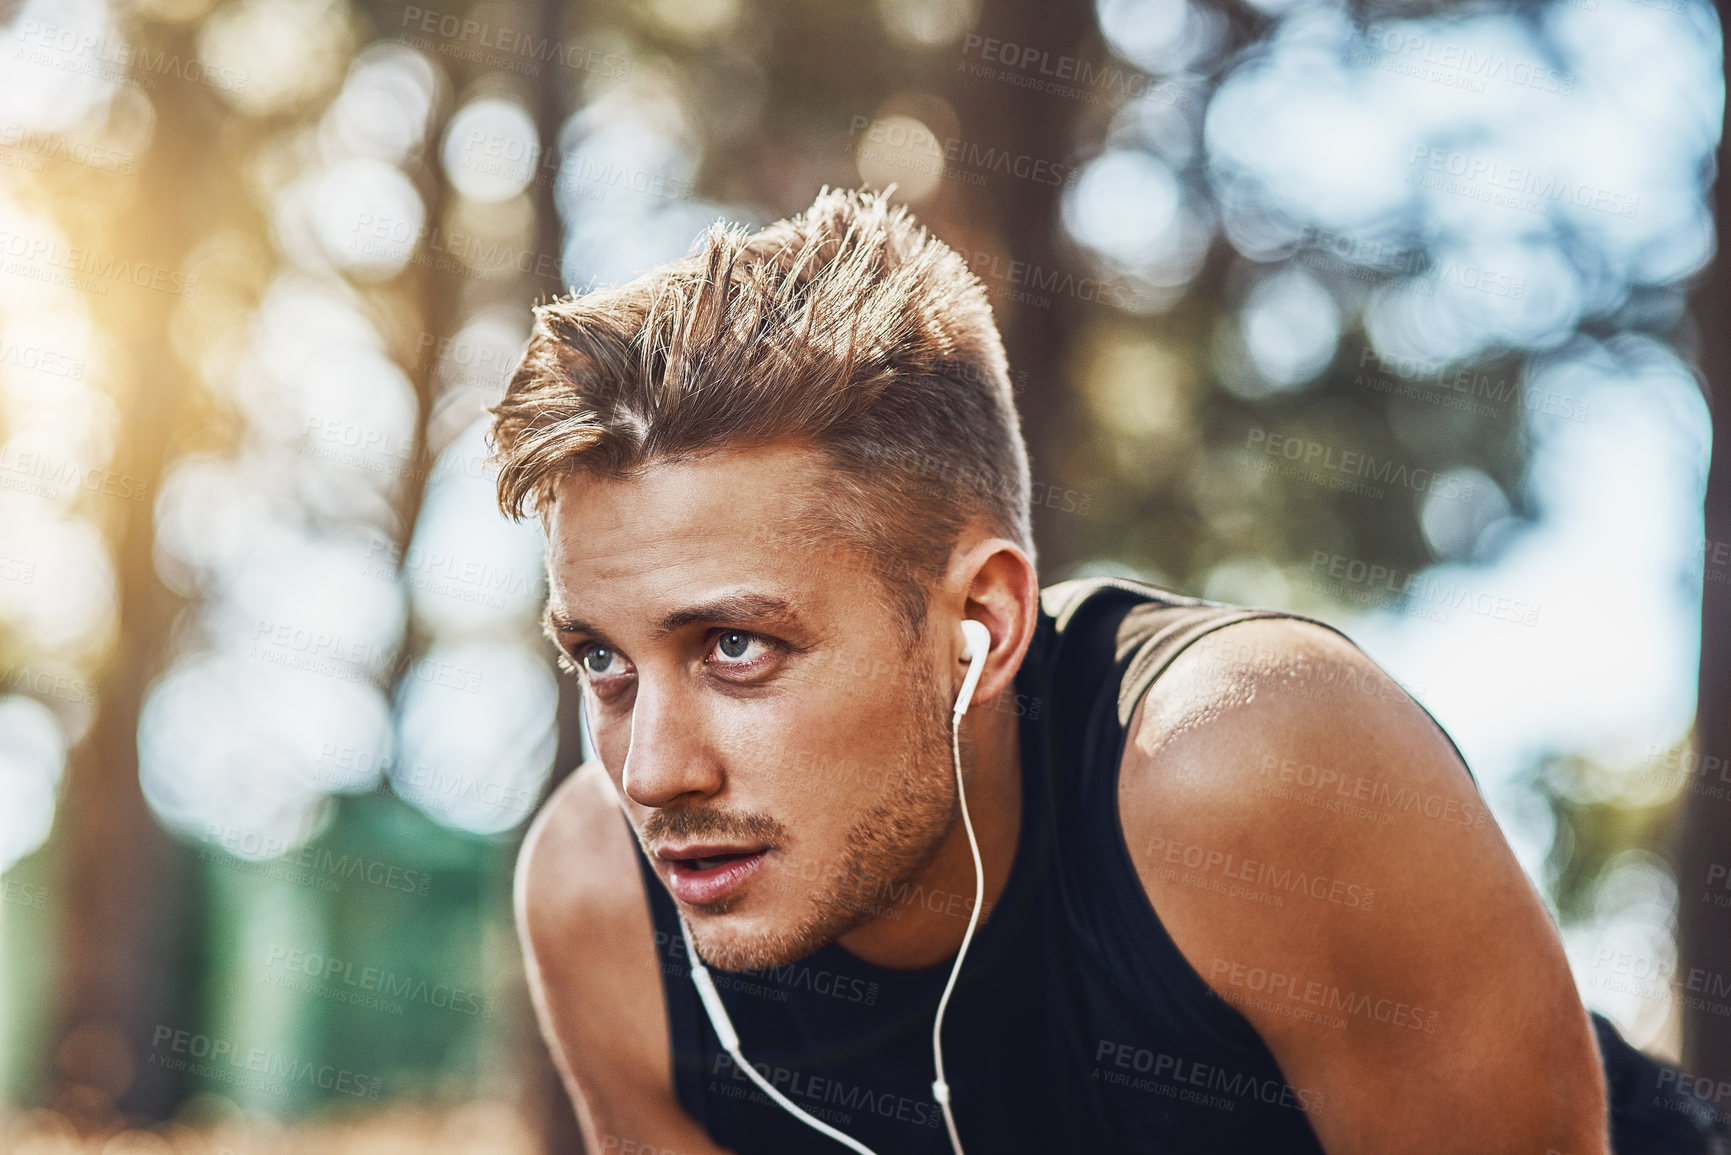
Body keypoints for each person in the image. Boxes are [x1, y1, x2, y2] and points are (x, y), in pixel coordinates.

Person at [492, 188, 1709, 1154]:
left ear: (983, 622)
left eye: (736, 647)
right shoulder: (599, 903)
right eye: (601, 660)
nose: (650, 771)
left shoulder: (1248, 771)